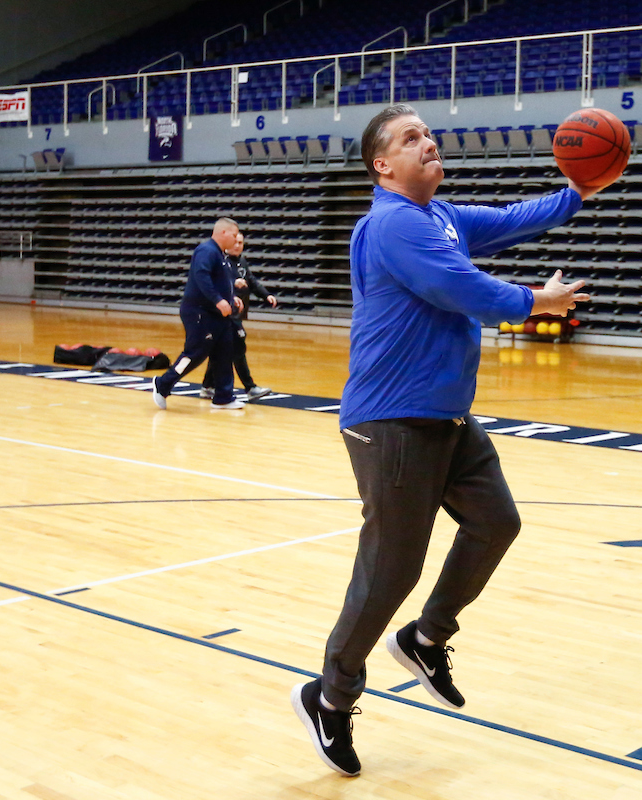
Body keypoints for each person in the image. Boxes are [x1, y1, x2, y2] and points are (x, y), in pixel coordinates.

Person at [290, 104, 602, 777]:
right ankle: (329, 697)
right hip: (391, 422)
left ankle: (427, 637)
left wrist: (576, 193)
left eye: (429, 133)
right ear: (383, 165)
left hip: (446, 419)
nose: (427, 141)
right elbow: (461, 289)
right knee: (389, 572)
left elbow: (515, 218)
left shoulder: (442, 216)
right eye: (410, 137)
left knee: (497, 522)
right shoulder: (392, 224)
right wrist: (534, 302)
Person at [151, 217, 246, 411]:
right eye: (234, 236)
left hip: (217, 315)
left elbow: (221, 281)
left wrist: (231, 298)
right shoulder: (206, 250)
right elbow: (201, 276)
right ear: (223, 233)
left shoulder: (221, 256)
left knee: (224, 352)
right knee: (195, 353)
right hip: (200, 313)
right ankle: (162, 384)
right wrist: (218, 300)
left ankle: (223, 397)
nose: (236, 241)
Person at [198, 231, 278, 401]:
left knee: (220, 350)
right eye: (234, 242)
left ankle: (207, 386)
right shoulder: (221, 261)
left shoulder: (242, 262)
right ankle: (250, 388)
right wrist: (232, 283)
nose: (237, 246)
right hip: (225, 314)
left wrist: (266, 295)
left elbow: (252, 281)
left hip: (237, 314)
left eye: (240, 243)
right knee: (238, 348)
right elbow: (211, 283)